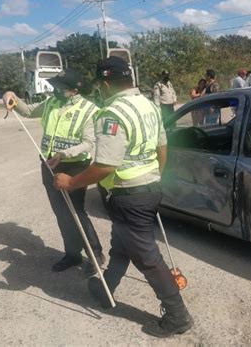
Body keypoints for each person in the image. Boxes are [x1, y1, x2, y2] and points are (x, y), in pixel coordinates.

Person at [54, 56, 193, 338]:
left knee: (147, 257)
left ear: (105, 84)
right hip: (150, 188)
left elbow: (105, 165)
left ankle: (178, 315)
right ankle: (107, 289)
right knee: (121, 244)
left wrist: (71, 182)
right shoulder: (151, 106)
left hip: (129, 194)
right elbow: (162, 148)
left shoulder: (111, 114)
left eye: (100, 86)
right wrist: (155, 176)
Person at [2, 68, 105, 274]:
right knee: (61, 213)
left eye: (60, 87)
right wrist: (11, 96)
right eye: (55, 86)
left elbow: (89, 143)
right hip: (49, 164)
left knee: (75, 211)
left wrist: (63, 154)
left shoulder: (89, 110)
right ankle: (73, 254)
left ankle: (96, 254)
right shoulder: (51, 102)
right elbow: (28, 110)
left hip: (74, 166)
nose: (55, 90)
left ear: (74, 90)